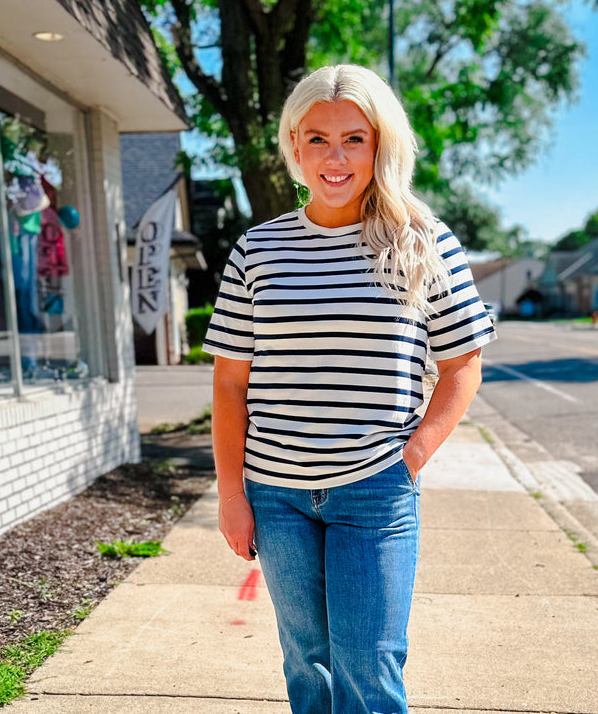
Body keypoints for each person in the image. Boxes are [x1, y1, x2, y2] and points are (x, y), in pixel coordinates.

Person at [202, 64, 497, 714]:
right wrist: (231, 495)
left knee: (370, 670)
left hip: (374, 494)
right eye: (316, 139)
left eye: (354, 139)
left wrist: (410, 458)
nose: (334, 158)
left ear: (381, 143)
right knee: (307, 665)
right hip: (275, 497)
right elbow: (229, 384)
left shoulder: (423, 242)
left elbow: (464, 364)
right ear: (294, 145)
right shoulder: (258, 251)